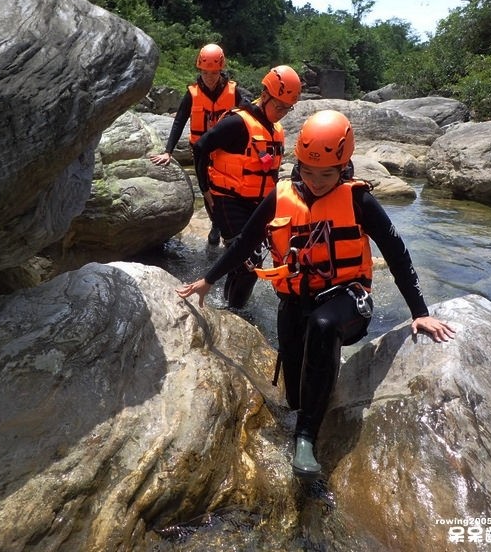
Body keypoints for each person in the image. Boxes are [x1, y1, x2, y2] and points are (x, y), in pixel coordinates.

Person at [176, 109, 456, 480]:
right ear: (299, 163)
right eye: (308, 171)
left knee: (323, 326)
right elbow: (243, 243)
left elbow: (397, 254)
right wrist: (208, 281)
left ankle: (306, 438)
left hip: (349, 300)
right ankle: (316, 394)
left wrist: (420, 311)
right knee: (294, 396)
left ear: (344, 166)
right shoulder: (281, 197)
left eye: (327, 174)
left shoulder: (359, 201)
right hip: (295, 301)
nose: (317, 181)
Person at [190, 64, 302, 308]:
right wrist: (205, 190)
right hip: (227, 200)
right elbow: (200, 148)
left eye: (287, 108)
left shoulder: (276, 130)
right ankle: (235, 311)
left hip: (257, 203)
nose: (282, 112)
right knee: (249, 264)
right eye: (278, 105)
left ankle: (228, 303)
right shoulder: (238, 123)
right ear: (264, 96)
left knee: (247, 262)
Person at [150, 43, 246, 245]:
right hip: (201, 150)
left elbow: (251, 117)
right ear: (200, 70)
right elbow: (179, 121)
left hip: (226, 152)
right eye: (205, 72)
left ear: (221, 70)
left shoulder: (234, 91)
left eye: (214, 72)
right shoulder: (192, 93)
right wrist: (168, 151)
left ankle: (224, 224)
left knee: (225, 189)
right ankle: (215, 223)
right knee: (206, 189)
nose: (209, 76)